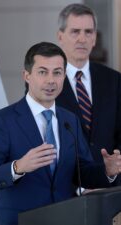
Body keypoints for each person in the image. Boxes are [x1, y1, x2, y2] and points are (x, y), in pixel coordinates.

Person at [0, 42, 121, 225]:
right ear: (27, 76)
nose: (51, 80)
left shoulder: (70, 120)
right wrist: (18, 167)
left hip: (64, 219)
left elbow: (81, 171)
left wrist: (106, 171)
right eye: (43, 72)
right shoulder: (2, 121)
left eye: (57, 72)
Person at [56, 3, 121, 169]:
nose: (82, 39)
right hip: (66, 187)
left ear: (94, 39)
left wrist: (109, 172)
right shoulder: (46, 82)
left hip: (109, 185)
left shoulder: (114, 80)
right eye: (75, 31)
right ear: (60, 37)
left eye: (88, 32)